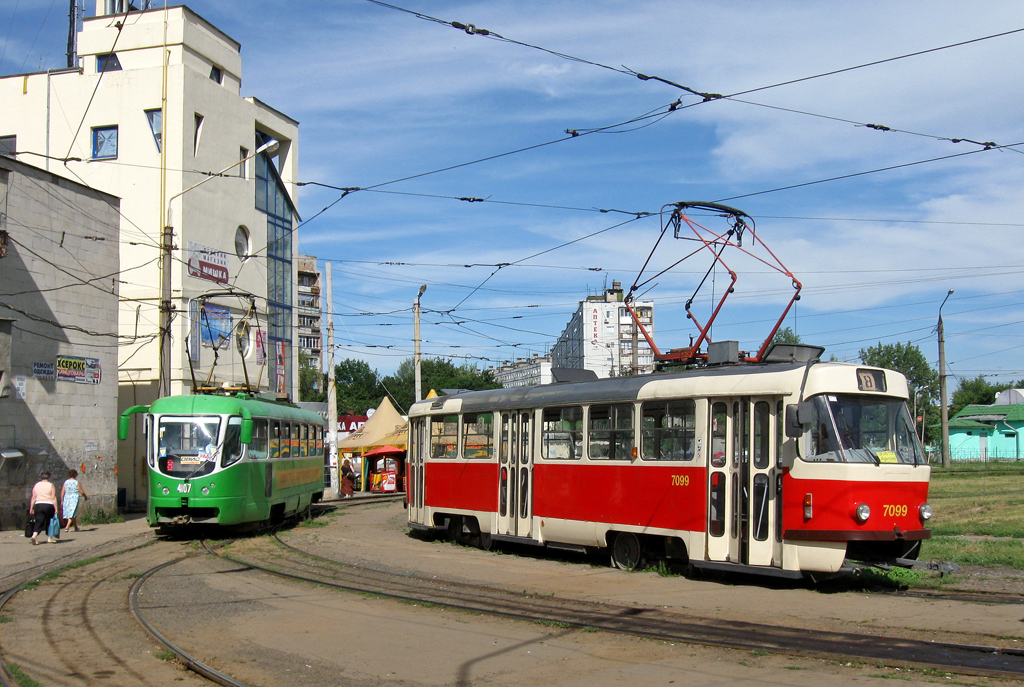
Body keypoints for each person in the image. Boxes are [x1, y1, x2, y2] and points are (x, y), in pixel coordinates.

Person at [29, 471, 58, 545]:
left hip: (38, 505)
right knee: (49, 521)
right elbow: (53, 497)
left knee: (39, 521)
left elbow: (33, 497)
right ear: (49, 477)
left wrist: (31, 508)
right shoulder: (51, 485)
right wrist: (56, 508)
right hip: (48, 505)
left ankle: (34, 535)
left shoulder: (36, 485)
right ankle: (49, 538)